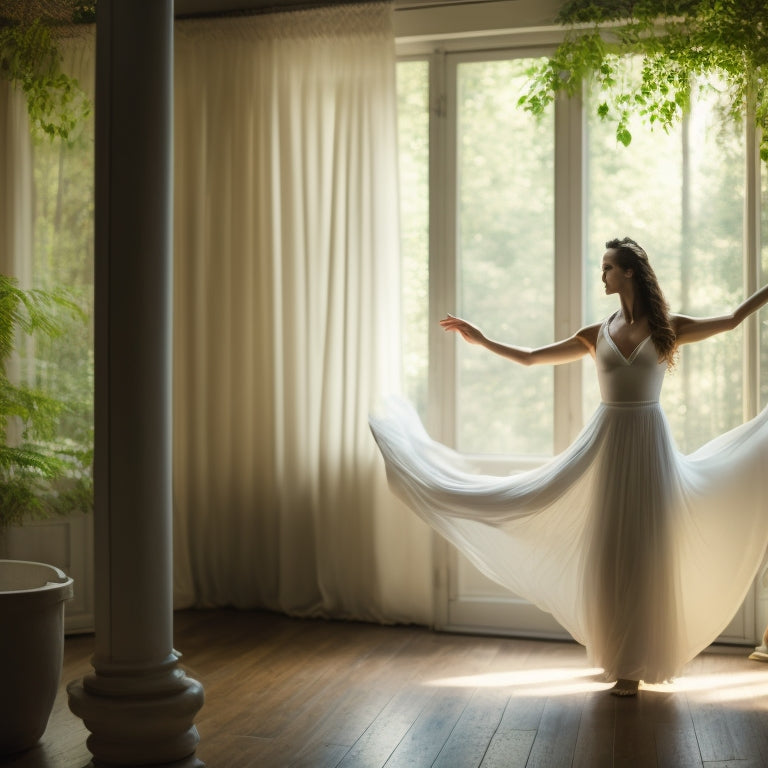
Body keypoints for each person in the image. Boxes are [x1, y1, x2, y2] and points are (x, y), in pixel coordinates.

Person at [370, 236, 768, 696]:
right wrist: (482, 340)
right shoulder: (593, 333)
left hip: (648, 442)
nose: (602, 276)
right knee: (610, 551)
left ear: (629, 273)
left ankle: (633, 667)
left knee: (647, 551)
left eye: (607, 268)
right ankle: (621, 658)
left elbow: (735, 319)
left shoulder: (667, 328)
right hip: (608, 442)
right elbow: (530, 358)